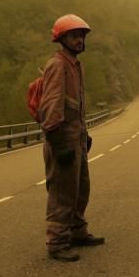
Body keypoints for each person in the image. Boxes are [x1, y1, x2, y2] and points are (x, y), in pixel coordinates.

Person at [39, 14, 105, 262]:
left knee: (80, 188)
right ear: (62, 38)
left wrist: (84, 135)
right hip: (62, 140)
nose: (79, 40)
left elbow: (75, 106)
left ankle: (77, 231)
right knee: (62, 192)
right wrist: (57, 142)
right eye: (74, 36)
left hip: (75, 138)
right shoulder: (58, 65)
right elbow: (53, 104)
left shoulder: (75, 64)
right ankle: (57, 242)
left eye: (82, 36)